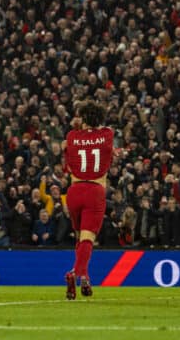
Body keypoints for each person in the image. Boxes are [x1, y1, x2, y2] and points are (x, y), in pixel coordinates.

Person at [63, 100, 114, 299]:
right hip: (94, 191)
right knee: (87, 239)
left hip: (74, 190)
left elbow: (69, 153)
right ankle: (76, 273)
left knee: (79, 238)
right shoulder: (107, 135)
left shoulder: (72, 136)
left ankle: (85, 276)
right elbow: (102, 132)